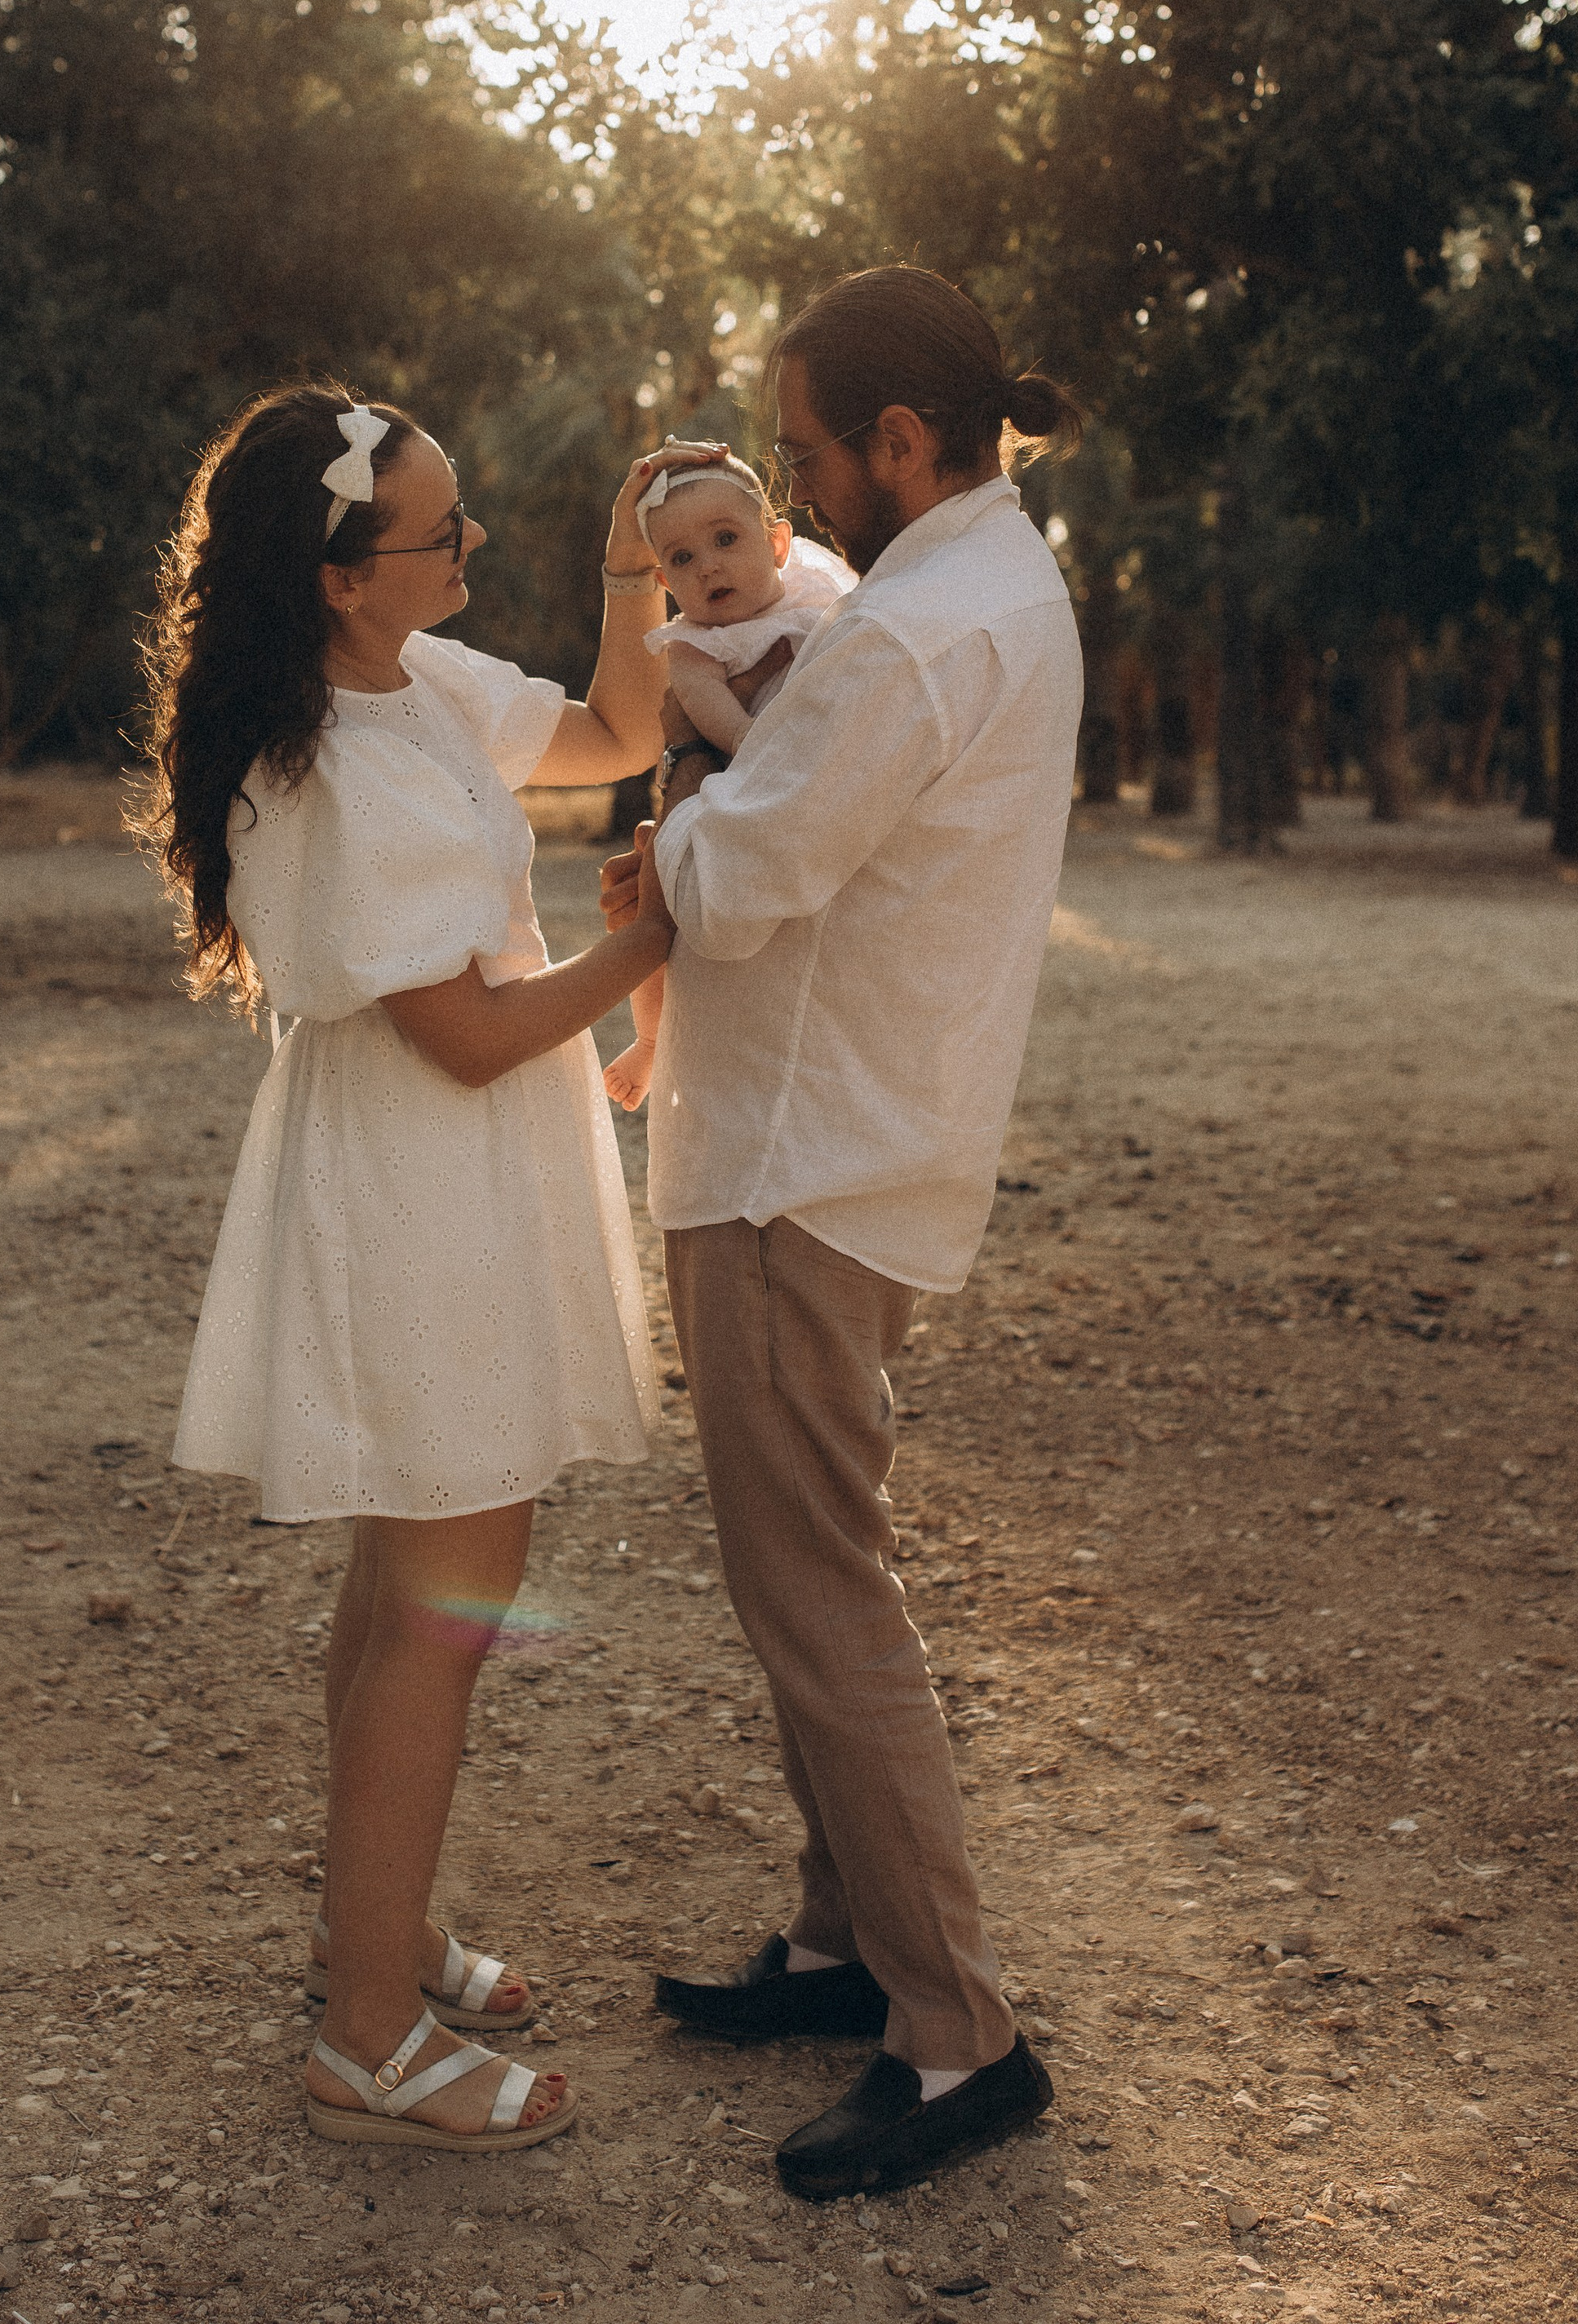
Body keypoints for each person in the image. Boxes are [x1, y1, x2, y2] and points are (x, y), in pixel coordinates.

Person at [138, 383, 712, 2157]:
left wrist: (635, 556)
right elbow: (462, 1036)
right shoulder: (322, 764)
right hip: (415, 1183)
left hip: (446, 1173)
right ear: (337, 578)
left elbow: (621, 728)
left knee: (407, 1589)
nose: (470, 548)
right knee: (443, 1610)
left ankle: (364, 1944)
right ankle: (369, 2046)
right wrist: (651, 936)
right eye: (439, 535)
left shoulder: (425, 686)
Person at [602, 266, 1084, 2202]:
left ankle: (954, 2029)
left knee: (817, 1588)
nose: (785, 492)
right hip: (854, 1136)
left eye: (800, 451)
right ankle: (836, 1941)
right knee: (801, 1569)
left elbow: (757, 862)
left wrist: (663, 846)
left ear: (897, 440)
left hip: (802, 1161)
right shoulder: (992, 583)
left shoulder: (900, 637)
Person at [601, 452, 853, 1113]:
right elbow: (697, 704)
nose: (708, 564)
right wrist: (744, 737)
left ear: (776, 543)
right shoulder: (693, 644)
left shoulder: (817, 593)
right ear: (663, 578)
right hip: (723, 784)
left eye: (725, 539)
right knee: (651, 898)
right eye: (681, 559)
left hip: (797, 798)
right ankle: (652, 1037)